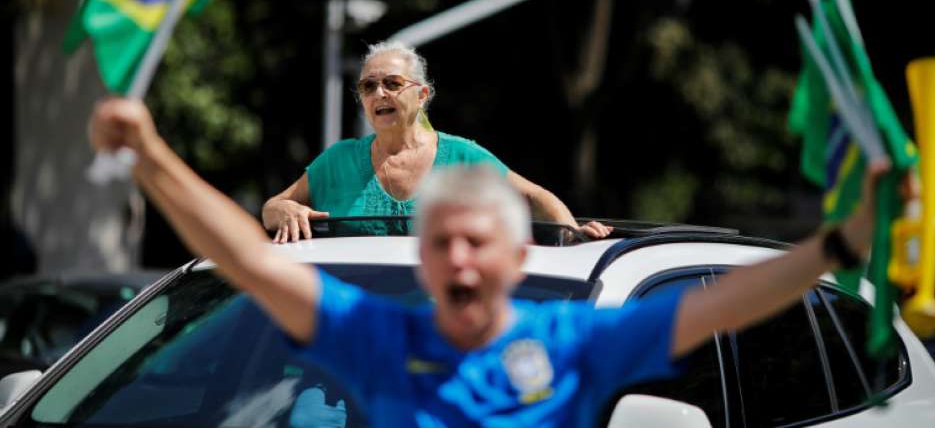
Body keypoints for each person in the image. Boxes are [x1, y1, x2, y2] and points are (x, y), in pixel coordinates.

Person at [88, 97, 889, 427]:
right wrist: (150, 152)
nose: (461, 256)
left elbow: (726, 303)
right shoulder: (372, 334)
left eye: (479, 241)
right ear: (427, 260)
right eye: (444, 242)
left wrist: (841, 244)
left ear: (511, 255)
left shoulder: (576, 340)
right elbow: (247, 262)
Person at [262, 40, 611, 242]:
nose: (379, 93)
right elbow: (270, 210)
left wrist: (572, 236)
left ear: (423, 95)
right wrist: (284, 209)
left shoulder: (462, 156)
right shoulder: (337, 161)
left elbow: (535, 197)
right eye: (368, 86)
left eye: (393, 83)